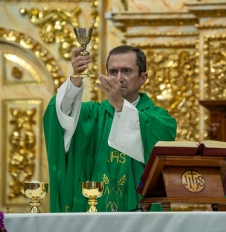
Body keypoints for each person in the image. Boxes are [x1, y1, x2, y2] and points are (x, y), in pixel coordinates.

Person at [43, 45, 177, 212]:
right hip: (94, 210)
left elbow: (160, 145)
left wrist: (121, 106)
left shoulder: (159, 118)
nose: (119, 78)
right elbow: (59, 115)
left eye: (126, 71)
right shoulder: (93, 114)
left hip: (141, 213)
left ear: (143, 78)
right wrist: (76, 79)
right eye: (113, 72)